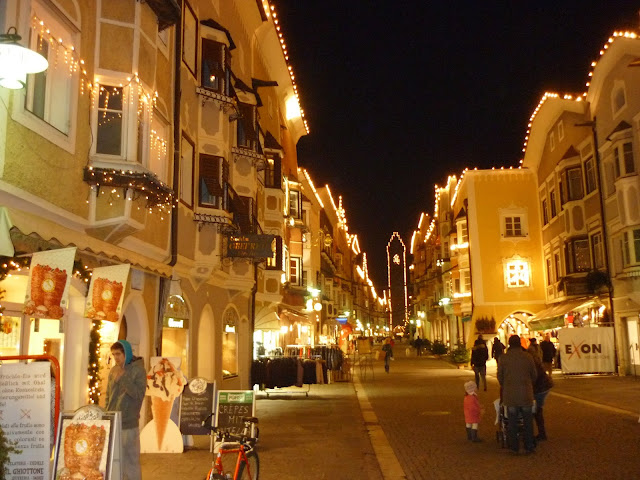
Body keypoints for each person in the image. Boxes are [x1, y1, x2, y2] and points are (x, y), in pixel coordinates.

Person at [106, 340, 146, 480]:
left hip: (128, 422)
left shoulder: (138, 370)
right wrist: (107, 414)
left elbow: (138, 394)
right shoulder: (113, 370)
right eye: (113, 355)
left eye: (118, 354)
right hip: (112, 420)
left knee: (130, 460)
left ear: (126, 353)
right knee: (114, 459)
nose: (116, 358)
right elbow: (108, 395)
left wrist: (124, 378)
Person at [497, 334, 537, 455]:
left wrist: (506, 385)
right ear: (520, 343)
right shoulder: (528, 357)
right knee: (527, 421)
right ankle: (529, 445)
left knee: (512, 422)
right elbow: (534, 375)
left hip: (511, 395)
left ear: (509, 344)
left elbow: (500, 377)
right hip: (526, 394)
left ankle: (514, 446)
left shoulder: (503, 358)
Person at [532, 354, 553, 441]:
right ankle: (541, 433)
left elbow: (534, 378)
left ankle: (541, 434)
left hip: (541, 388)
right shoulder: (534, 361)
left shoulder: (532, 363)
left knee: (536, 410)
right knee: (537, 409)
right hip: (544, 387)